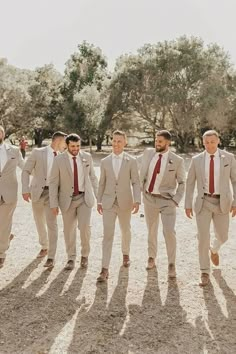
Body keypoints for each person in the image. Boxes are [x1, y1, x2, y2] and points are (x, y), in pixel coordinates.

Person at [185, 130, 236, 286]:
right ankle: (204, 272)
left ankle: (214, 249)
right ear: (203, 143)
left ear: (218, 141)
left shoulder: (229, 158)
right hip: (203, 201)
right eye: (206, 142)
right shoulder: (196, 160)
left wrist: (235, 202)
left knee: (223, 236)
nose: (209, 145)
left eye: (212, 142)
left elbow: (235, 180)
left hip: (222, 202)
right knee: (202, 237)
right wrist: (187, 204)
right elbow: (190, 183)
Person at [139, 130, 185, 278]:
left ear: (167, 142)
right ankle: (151, 257)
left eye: (160, 141)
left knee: (169, 231)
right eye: (156, 141)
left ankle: (172, 264)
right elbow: (133, 162)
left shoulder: (177, 160)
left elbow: (182, 183)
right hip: (149, 198)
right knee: (151, 230)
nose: (157, 143)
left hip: (167, 201)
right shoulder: (148, 153)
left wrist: (175, 200)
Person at [96, 130, 141, 282]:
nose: (116, 144)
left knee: (125, 230)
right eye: (114, 141)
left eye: (119, 141)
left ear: (125, 142)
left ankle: (126, 254)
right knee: (107, 235)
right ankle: (104, 269)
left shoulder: (131, 161)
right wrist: (99, 200)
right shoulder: (105, 161)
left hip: (125, 202)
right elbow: (101, 182)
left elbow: (135, 182)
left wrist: (137, 200)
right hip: (108, 202)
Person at [49, 133, 98, 270]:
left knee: (84, 228)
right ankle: (71, 257)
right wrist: (53, 204)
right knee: (68, 230)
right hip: (67, 201)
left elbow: (93, 178)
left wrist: (99, 198)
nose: (76, 149)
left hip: (84, 198)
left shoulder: (87, 157)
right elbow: (53, 183)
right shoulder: (59, 160)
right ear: (67, 145)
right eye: (73, 146)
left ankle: (84, 256)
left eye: (78, 146)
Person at [21, 131, 67, 268]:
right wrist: (25, 189)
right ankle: (44, 246)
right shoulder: (37, 152)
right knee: (39, 222)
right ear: (58, 141)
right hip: (37, 192)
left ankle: (51, 257)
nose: (66, 146)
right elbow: (25, 170)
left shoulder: (63, 157)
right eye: (65, 142)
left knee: (52, 224)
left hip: (53, 195)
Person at [0, 125, 24, 268]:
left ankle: (1, 253)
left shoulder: (14, 150)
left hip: (8, 193)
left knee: (4, 223)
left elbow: (24, 166)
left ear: (3, 134)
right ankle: (5, 238)